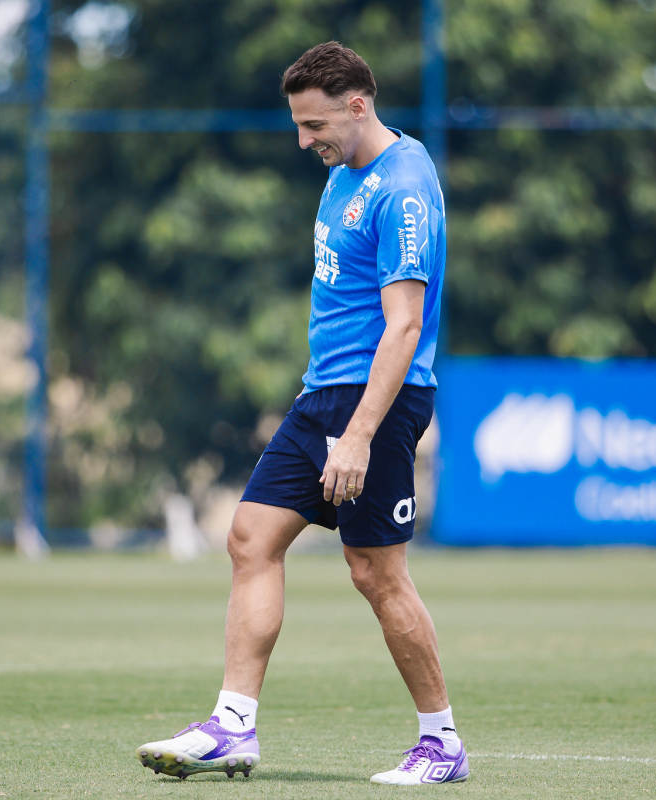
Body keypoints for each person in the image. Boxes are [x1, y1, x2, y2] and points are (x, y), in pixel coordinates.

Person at [136, 41, 466, 786]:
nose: (303, 140)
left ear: (358, 104)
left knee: (375, 573)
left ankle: (441, 742)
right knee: (251, 537)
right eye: (297, 124)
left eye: (314, 124)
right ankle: (232, 727)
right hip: (323, 393)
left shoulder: (404, 186)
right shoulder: (344, 170)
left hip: (374, 402)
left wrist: (357, 434)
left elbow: (404, 327)